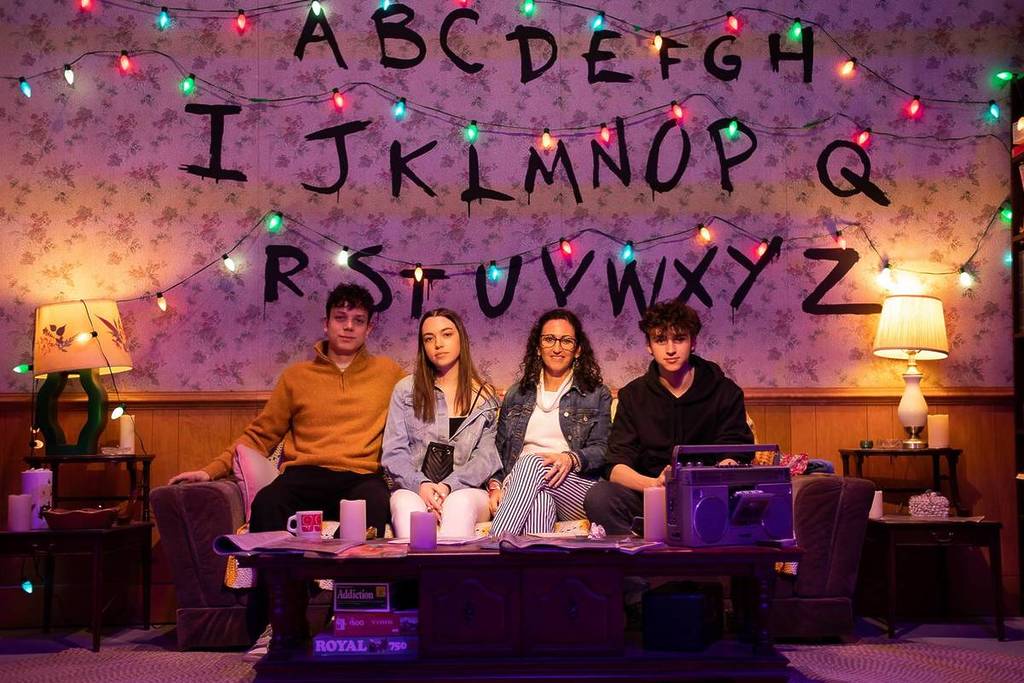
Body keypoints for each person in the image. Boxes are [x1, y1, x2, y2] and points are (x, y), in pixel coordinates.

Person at [167, 282, 404, 647]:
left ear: (369, 328)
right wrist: (210, 469)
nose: (348, 326)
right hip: (304, 476)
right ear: (325, 324)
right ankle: (273, 626)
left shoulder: (389, 373)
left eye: (358, 320)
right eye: (340, 318)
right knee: (267, 503)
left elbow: (423, 407)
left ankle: (350, 619)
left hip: (359, 476)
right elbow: (260, 434)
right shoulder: (296, 377)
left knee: (375, 504)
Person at [584, 299, 754, 535]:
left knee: (746, 494)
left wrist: (713, 474)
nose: (671, 349)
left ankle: (701, 558)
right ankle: (644, 565)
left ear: (693, 342)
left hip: (708, 493)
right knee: (599, 497)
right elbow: (616, 465)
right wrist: (653, 485)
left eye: (679, 339)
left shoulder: (724, 391)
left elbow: (736, 450)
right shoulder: (633, 396)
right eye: (661, 340)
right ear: (649, 346)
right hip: (651, 495)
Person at [488, 309, 612, 535]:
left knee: (531, 462)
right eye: (549, 340)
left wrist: (571, 458)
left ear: (577, 350)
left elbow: (603, 450)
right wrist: (495, 485)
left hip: (574, 486)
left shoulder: (596, 394)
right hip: (523, 487)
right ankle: (537, 567)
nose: (557, 348)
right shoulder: (517, 394)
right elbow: (500, 451)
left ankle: (495, 545)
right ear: (538, 347)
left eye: (566, 341)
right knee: (540, 501)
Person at [382, 308, 501, 538]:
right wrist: (422, 484)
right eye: (429, 338)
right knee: (409, 508)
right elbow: (394, 453)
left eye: (446, 334)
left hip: (467, 490)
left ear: (461, 339)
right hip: (413, 487)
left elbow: (486, 459)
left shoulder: (485, 397)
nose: (438, 344)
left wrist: (449, 486)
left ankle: (448, 575)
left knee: (459, 504)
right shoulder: (406, 390)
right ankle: (417, 575)